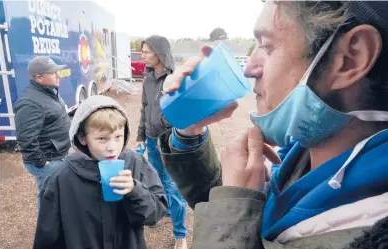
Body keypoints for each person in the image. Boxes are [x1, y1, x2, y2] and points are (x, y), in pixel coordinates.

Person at [158, 1, 388, 249]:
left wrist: (236, 202)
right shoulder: (299, 153)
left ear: (350, 59)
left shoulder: (370, 230)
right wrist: (191, 132)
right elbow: (235, 219)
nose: (248, 69)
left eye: (267, 47)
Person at [33, 95, 168, 249]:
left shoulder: (135, 164)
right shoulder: (61, 177)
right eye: (102, 139)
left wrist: (135, 191)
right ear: (83, 138)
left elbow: (156, 213)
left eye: (118, 137)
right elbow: (48, 235)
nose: (112, 147)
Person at [137, 35, 188, 249]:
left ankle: (180, 235)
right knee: (155, 181)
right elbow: (145, 107)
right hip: (150, 140)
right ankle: (163, 212)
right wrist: (141, 135)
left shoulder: (177, 79)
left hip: (169, 141)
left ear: (159, 53)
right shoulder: (148, 79)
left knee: (173, 186)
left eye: (146, 52)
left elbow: (184, 112)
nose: (143, 56)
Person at [14, 56, 71, 209]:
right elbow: (26, 139)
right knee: (49, 198)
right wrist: (42, 162)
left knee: (56, 195)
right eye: (53, 73)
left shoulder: (48, 92)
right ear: (39, 78)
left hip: (57, 155)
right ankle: (47, 231)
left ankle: (56, 226)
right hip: (48, 160)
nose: (58, 75)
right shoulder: (30, 102)